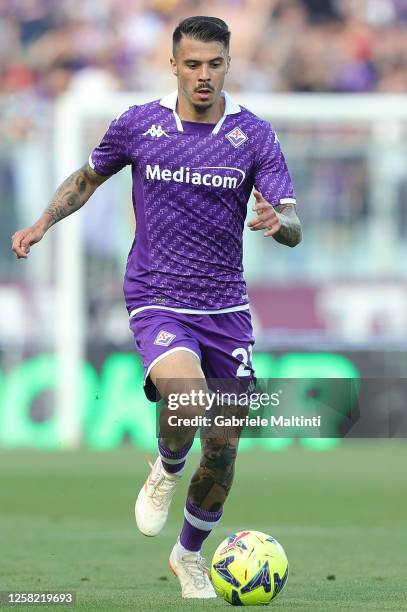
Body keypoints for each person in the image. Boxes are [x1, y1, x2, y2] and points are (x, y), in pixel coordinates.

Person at [11, 16, 301, 600]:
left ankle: (188, 555)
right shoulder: (140, 124)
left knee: (222, 447)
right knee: (187, 400)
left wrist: (282, 222)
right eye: (192, 64)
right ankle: (167, 468)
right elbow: (88, 177)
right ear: (173, 64)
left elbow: (291, 221)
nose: (203, 75)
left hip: (227, 307)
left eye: (214, 64)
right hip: (156, 295)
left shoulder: (255, 136)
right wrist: (42, 222)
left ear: (227, 64)